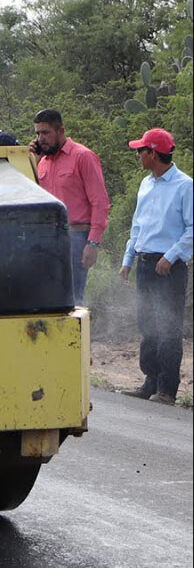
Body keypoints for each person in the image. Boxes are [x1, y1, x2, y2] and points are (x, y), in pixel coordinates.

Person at [118, 128, 193, 406]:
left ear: (152, 153)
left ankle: (167, 388)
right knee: (147, 323)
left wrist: (171, 256)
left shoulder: (185, 186)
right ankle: (150, 380)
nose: (138, 155)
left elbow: (192, 229)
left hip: (169, 267)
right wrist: (128, 259)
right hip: (146, 262)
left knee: (168, 325)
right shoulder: (146, 184)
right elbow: (138, 225)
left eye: (141, 150)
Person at [29, 109, 111, 304]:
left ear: (61, 130)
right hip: (48, 237)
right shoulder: (43, 162)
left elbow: (100, 201)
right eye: (38, 133)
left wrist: (93, 243)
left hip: (76, 236)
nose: (41, 138)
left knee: (73, 298)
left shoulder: (83, 156)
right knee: (49, 297)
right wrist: (33, 159)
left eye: (46, 133)